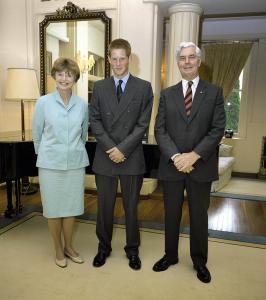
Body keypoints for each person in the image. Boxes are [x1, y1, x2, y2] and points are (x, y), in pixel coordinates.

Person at [153, 42, 225, 283]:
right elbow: (160, 129)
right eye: (182, 58)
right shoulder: (166, 94)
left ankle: (199, 261)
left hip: (200, 165)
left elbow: (217, 130)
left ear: (199, 61)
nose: (187, 61)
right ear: (177, 62)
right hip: (172, 165)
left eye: (191, 57)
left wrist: (193, 155)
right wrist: (176, 157)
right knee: (171, 214)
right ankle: (170, 255)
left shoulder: (214, 92)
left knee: (198, 216)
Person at [89, 38, 153, 270]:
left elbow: (143, 124)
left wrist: (122, 149)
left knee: (131, 206)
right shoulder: (100, 87)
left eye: (122, 58)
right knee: (104, 207)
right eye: (114, 59)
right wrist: (110, 148)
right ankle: (103, 247)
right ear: (109, 59)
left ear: (129, 58)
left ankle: (132, 250)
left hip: (131, 155)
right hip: (105, 156)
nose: (118, 63)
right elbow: (94, 120)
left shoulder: (144, 87)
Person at [32, 57, 89, 268]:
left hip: (75, 164)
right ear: (54, 76)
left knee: (71, 208)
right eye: (61, 74)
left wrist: (72, 151)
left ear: (75, 78)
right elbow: (37, 136)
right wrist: (48, 155)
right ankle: (58, 248)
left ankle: (69, 246)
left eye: (69, 74)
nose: (65, 78)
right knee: (54, 209)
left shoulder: (82, 104)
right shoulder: (43, 102)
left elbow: (83, 135)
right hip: (50, 165)